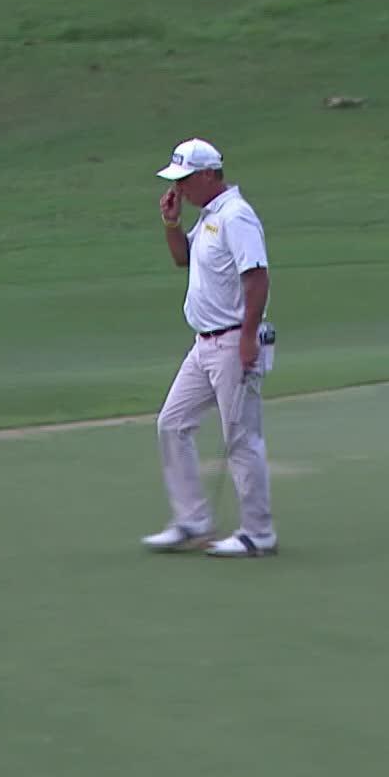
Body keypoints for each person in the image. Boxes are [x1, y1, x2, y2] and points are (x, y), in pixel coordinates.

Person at [139, 137, 279, 557]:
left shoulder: (237, 216)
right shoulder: (210, 216)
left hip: (235, 339)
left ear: (207, 175)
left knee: (240, 438)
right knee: (172, 422)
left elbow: (257, 277)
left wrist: (249, 338)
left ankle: (258, 532)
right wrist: (170, 223)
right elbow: (183, 258)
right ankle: (192, 519)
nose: (179, 188)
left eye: (184, 180)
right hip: (204, 345)